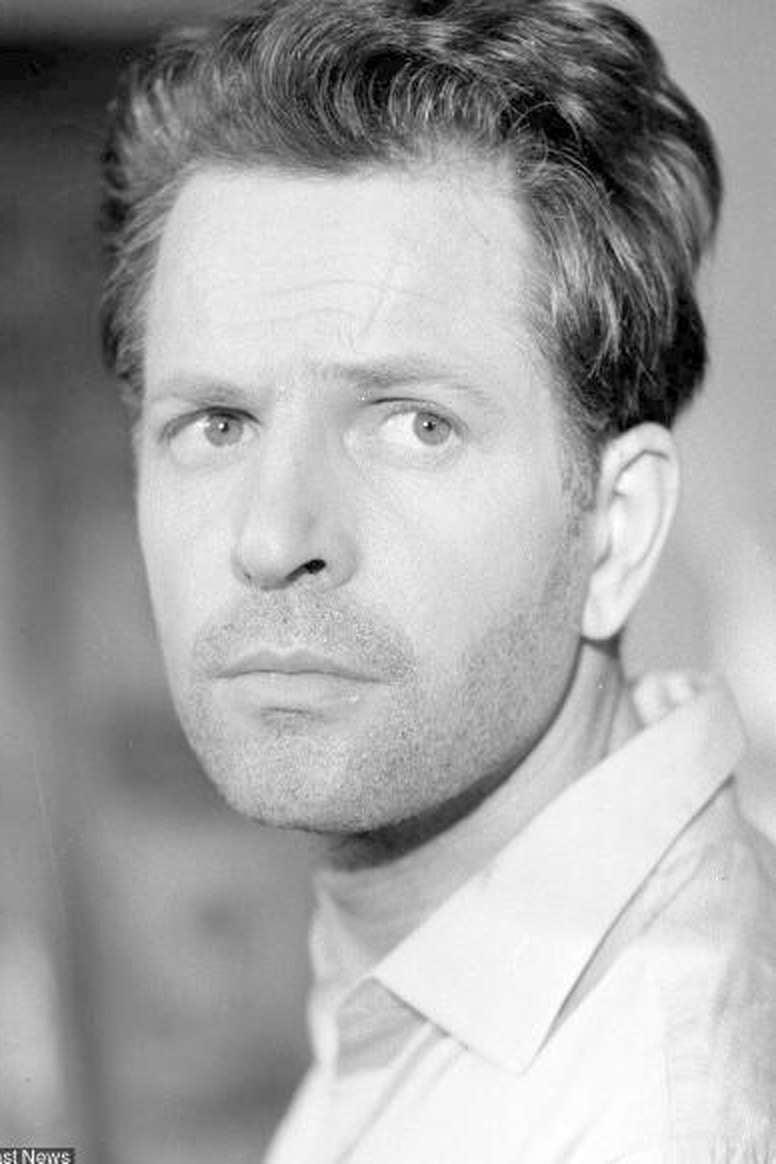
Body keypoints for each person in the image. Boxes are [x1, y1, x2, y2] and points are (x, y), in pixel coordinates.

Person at [99, 0, 776, 1158]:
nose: (271, 536)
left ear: (613, 531)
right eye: (216, 423)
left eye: (414, 424)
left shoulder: (654, 1113)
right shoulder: (438, 978)